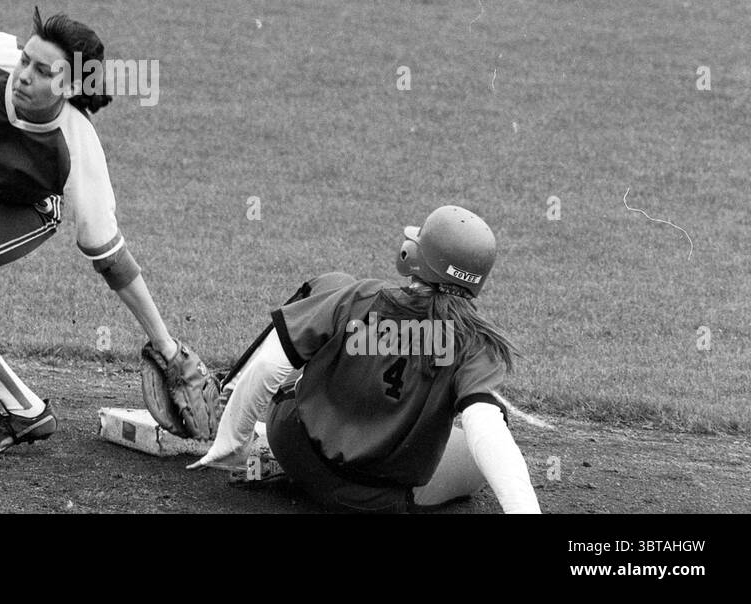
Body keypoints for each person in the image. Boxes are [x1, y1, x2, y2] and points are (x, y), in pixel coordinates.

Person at [0, 8, 196, 469]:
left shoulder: (77, 150)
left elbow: (113, 261)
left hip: (26, 208)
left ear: (71, 85)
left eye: (43, 70)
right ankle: (26, 412)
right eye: (26, 61)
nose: (24, 75)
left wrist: (167, 346)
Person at [190, 205, 541, 514]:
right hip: (375, 500)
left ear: (415, 256)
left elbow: (269, 367)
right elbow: (487, 430)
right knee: (484, 445)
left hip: (295, 449)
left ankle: (226, 392)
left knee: (326, 295)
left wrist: (233, 441)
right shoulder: (475, 342)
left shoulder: (360, 297)